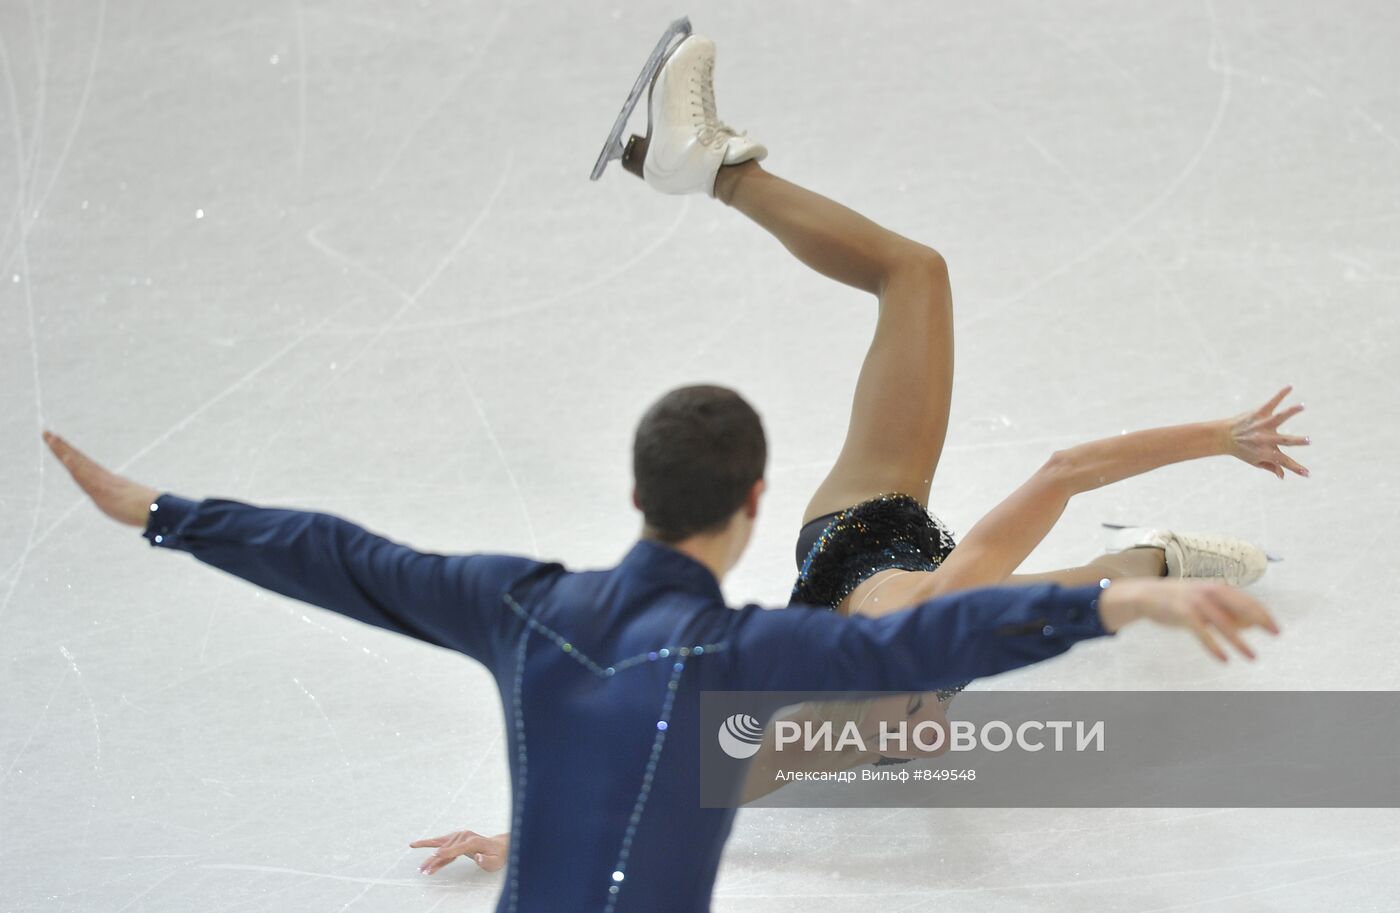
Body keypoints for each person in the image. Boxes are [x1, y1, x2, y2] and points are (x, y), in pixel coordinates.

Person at [421, 30, 1311, 873]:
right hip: (938, 585)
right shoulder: (971, 621)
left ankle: (704, 168)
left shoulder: (829, 722)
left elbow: (669, 784)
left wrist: (514, 840)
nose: (932, 735)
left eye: (910, 730)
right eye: (929, 724)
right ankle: (1174, 548)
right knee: (1113, 574)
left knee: (914, 275)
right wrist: (1217, 448)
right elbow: (1069, 490)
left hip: (856, 527)